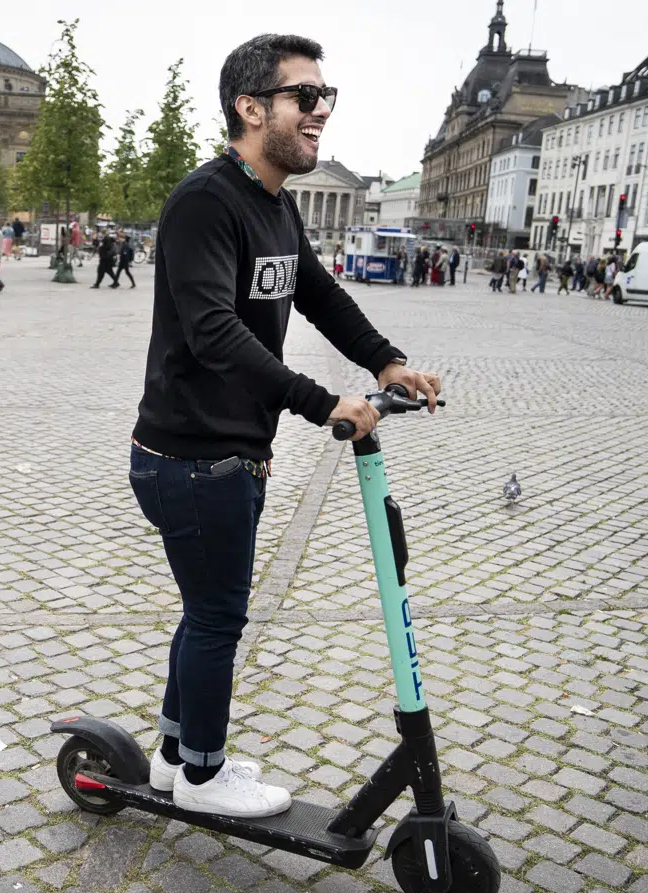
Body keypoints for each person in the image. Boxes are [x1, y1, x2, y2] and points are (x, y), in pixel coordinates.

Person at [132, 33, 440, 818]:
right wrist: (320, 400)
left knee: (206, 611)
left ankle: (173, 758)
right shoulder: (205, 202)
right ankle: (203, 775)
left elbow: (320, 295)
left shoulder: (274, 204)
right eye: (305, 96)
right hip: (191, 457)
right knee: (217, 617)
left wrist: (386, 362)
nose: (321, 110)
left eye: (325, 96)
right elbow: (213, 331)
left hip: (228, 454)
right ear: (250, 107)